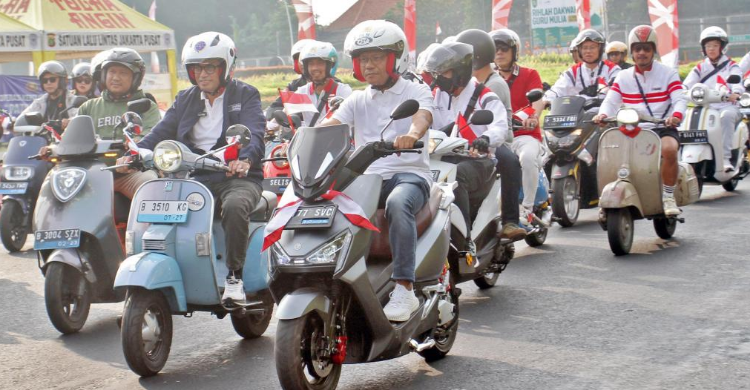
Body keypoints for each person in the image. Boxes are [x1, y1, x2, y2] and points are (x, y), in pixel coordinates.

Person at [119, 32, 265, 305]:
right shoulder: (185, 99)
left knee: (235, 206)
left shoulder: (245, 94)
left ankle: (234, 277)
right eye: (196, 67)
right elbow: (161, 133)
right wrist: (136, 152)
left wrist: (244, 158)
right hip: (194, 178)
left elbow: (254, 132)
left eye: (210, 67)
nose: (202, 74)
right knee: (157, 203)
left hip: (236, 177)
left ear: (225, 67)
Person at [323, 20, 434, 323]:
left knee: (399, 203)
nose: (368, 65)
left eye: (375, 58)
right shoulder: (357, 99)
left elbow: (422, 116)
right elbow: (330, 126)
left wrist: (412, 134)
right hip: (366, 178)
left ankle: (404, 288)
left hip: (408, 173)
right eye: (363, 60)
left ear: (394, 59)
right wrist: (298, 140)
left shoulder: (416, 90)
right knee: (325, 206)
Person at [425, 42, 523, 249]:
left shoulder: (485, 95)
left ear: (460, 71)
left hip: (477, 159)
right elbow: (427, 121)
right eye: (437, 73)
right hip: (444, 155)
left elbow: (499, 126)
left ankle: (463, 239)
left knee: (455, 176)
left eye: (444, 72)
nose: (439, 78)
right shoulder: (438, 95)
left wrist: (485, 139)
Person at [593, 25, 687, 216]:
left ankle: (668, 196)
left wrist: (675, 116)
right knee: (606, 154)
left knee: (669, 149)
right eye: (637, 49)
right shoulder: (623, 76)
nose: (642, 53)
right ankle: (606, 199)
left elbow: (680, 99)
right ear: (632, 52)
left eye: (646, 48)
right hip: (631, 128)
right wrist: (602, 115)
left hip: (661, 127)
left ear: (654, 50)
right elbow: (611, 101)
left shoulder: (668, 73)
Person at [455, 28, 527, 236]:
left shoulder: (495, 84)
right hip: (468, 139)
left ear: (474, 57)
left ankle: (510, 221)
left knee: (510, 161)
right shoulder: (465, 83)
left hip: (495, 141)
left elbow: (493, 126)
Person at [491, 28, 547, 226]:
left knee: (528, 157)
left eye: (504, 48)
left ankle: (528, 209)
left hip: (523, 135)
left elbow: (537, 99)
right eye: (495, 49)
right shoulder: (486, 79)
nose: (499, 53)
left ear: (515, 51)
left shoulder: (529, 74)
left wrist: (533, 116)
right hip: (495, 137)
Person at [683, 26, 744, 173]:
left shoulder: (731, 65)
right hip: (706, 106)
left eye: (715, 45)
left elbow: (737, 82)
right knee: (687, 116)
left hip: (727, 106)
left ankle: (725, 158)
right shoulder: (700, 67)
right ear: (703, 48)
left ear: (722, 47)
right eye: (708, 46)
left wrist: (735, 92)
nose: (711, 49)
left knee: (727, 116)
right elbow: (686, 85)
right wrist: (679, 91)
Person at [544, 29, 620, 105]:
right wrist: (546, 100)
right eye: (584, 48)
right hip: (579, 114)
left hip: (606, 113)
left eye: (592, 47)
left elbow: (617, 86)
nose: (588, 51)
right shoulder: (572, 72)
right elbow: (558, 89)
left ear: (600, 49)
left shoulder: (612, 69)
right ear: (580, 50)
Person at [293, 41, 352, 126]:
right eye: (311, 64)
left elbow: (345, 117)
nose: (315, 68)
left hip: (337, 138)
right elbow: (287, 111)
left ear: (330, 66)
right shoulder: (302, 92)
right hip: (310, 138)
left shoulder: (343, 91)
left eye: (320, 63)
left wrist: (317, 129)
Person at [21, 61, 78, 129]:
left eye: (52, 79)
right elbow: (22, 118)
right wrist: (12, 123)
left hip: (68, 138)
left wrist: (70, 121)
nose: (48, 83)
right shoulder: (39, 103)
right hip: (42, 139)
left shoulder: (73, 101)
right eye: (45, 80)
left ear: (62, 81)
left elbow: (81, 118)